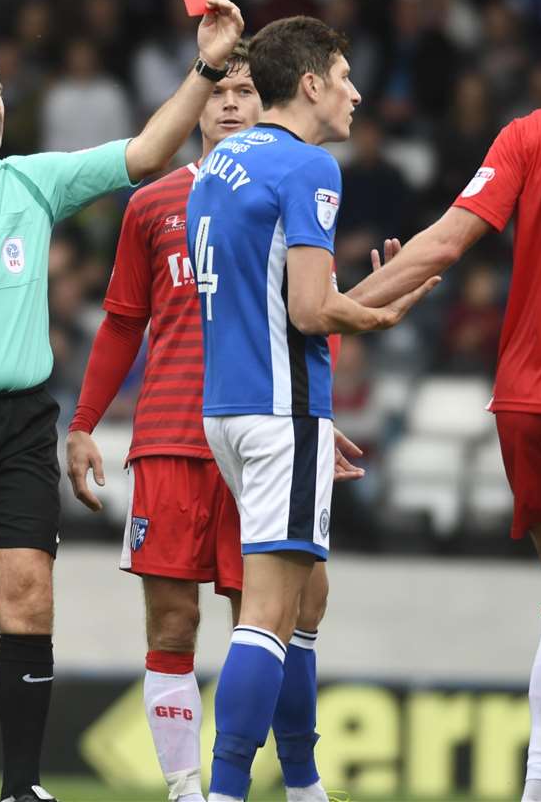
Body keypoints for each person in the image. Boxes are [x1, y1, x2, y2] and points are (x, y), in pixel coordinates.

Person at [0, 0, 243, 802]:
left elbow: (147, 152)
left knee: (28, 594)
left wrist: (205, 67)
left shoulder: (33, 183)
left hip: (21, 421)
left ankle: (19, 789)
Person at [347, 0, 541, 800]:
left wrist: (346, 306)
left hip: (524, 400)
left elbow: (448, 241)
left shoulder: (530, 133)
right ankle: (538, 790)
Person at [62, 43, 367, 802]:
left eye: (243, 93)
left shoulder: (275, 182)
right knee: (173, 621)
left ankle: (296, 780)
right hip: (172, 431)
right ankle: (188, 788)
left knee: (285, 610)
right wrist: (85, 421)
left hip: (264, 418)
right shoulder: (157, 202)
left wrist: (318, 422)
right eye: (215, 93)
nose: (230, 104)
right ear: (191, 106)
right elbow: (122, 322)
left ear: (266, 101)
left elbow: (303, 313)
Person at [187, 15, 436, 802]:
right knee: (268, 614)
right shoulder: (310, 169)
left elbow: (277, 301)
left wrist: (353, 303)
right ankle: (227, 792)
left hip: (230, 405)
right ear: (310, 84)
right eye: (346, 75)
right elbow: (307, 310)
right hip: (280, 407)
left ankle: (304, 787)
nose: (358, 93)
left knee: (301, 605)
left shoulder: (222, 160)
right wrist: (377, 315)